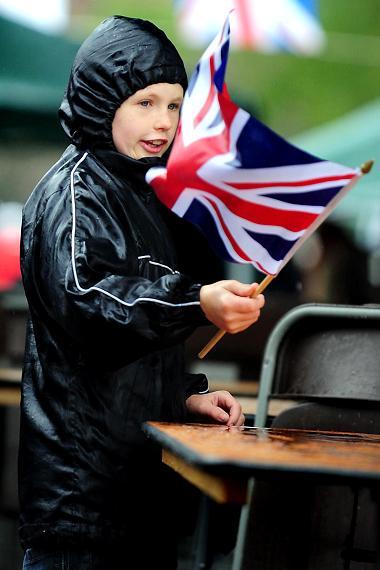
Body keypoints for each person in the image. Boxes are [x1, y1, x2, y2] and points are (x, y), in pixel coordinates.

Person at [19, 15, 265, 570]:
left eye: (174, 105)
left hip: (143, 494)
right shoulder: (75, 194)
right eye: (145, 103)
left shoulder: (147, 195)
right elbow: (90, 301)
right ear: (103, 99)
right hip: (80, 504)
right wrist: (197, 301)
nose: (164, 122)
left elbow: (132, 349)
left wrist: (184, 395)